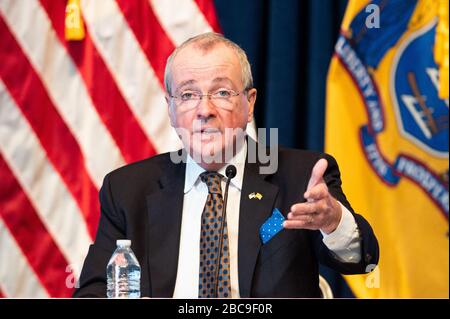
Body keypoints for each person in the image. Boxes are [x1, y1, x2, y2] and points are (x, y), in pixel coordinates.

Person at [74, 32, 378, 298]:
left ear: (249, 104)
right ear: (170, 109)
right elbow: (93, 290)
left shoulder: (300, 178)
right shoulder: (128, 190)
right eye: (188, 95)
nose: (204, 110)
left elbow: (363, 259)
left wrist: (333, 221)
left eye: (221, 92)